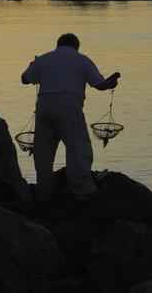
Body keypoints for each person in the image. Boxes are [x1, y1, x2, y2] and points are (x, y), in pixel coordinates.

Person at [21, 33, 120, 203]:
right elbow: (100, 85)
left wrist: (32, 65)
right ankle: (82, 191)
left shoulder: (44, 59)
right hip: (69, 107)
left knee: (43, 153)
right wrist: (111, 82)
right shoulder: (82, 60)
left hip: (44, 107)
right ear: (76, 46)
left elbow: (24, 79)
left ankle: (43, 194)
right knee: (78, 149)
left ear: (58, 45)